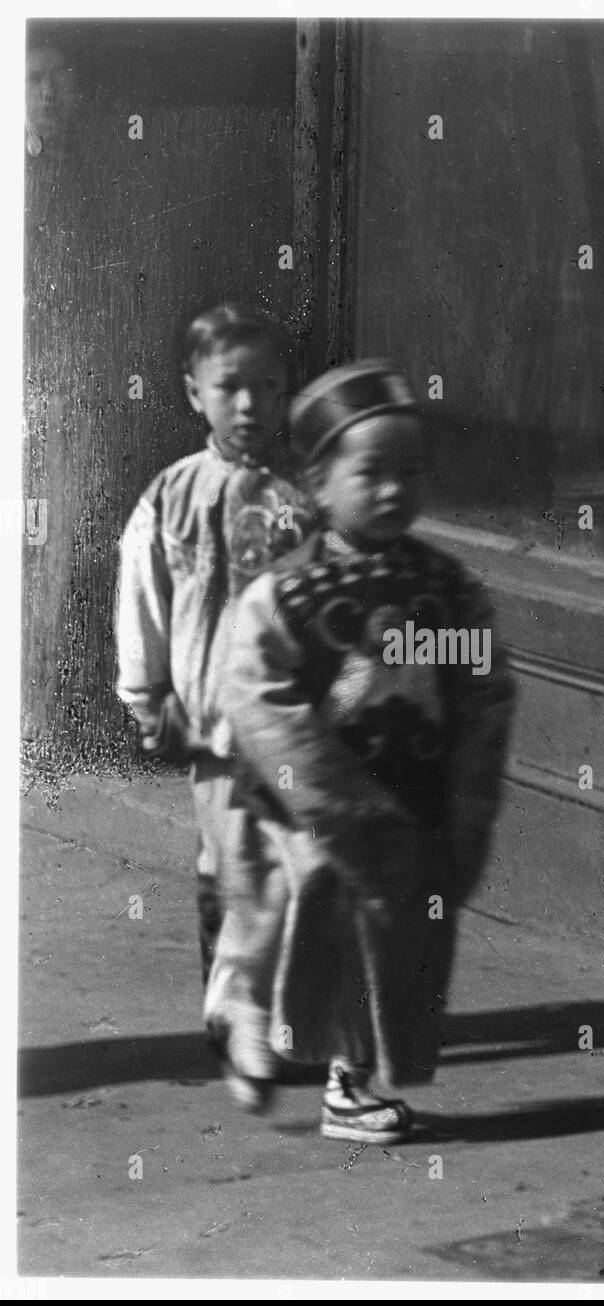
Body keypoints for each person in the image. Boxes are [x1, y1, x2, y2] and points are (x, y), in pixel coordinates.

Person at [206, 359, 515, 1141]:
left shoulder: (444, 588)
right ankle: (285, 1038)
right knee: (312, 917)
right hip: (307, 805)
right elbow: (256, 696)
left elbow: (479, 691)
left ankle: (349, 1072)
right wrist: (333, 799)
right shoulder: (286, 594)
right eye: (369, 472)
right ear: (317, 484)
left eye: (409, 473)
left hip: (410, 797)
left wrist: (467, 801)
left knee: (397, 935)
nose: (392, 490)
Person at [115, 303, 314, 987]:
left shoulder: (307, 497)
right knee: (228, 856)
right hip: (217, 723)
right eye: (230, 386)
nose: (250, 403)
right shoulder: (174, 496)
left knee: (302, 854)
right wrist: (146, 700)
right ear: (195, 391)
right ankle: (233, 1006)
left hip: (302, 717)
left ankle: (297, 1007)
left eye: (266, 385)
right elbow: (143, 596)